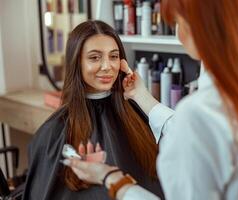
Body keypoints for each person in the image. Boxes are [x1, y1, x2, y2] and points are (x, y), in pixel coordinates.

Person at [63, 0, 238, 200]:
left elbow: (197, 131)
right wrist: (141, 96)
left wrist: (112, 179)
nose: (177, 30)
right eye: (94, 57)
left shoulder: (200, 113)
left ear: (197, 27)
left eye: (177, 21)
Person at [22, 20, 164, 200]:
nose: (107, 66)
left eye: (113, 56)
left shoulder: (139, 115)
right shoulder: (55, 132)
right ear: (76, 62)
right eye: (95, 57)